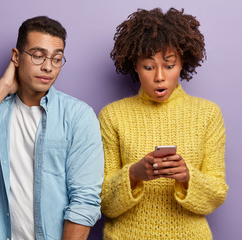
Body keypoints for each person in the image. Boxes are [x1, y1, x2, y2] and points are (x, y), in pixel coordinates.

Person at [0, 16, 104, 240]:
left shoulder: (78, 116)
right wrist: (2, 87)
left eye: (57, 59)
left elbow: (84, 201)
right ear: (16, 56)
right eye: (38, 56)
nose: (48, 67)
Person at [98, 8, 228, 240]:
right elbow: (103, 201)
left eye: (169, 65)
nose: (159, 76)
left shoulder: (208, 114)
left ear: (182, 65)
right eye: (149, 67)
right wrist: (134, 174)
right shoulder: (111, 116)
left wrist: (187, 176)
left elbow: (217, 193)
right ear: (135, 66)